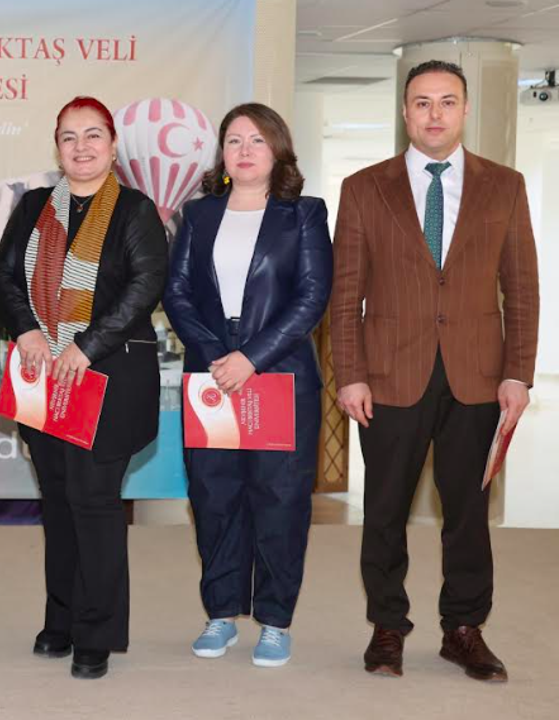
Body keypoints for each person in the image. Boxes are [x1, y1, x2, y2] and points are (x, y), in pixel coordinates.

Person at [330, 60, 538, 683]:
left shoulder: (505, 185)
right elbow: (345, 294)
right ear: (405, 112)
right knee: (385, 510)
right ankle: (387, 626)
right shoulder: (365, 187)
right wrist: (350, 373)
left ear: (466, 109)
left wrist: (519, 372)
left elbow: (522, 288)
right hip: (388, 375)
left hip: (478, 374)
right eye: (422, 102)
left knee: (468, 512)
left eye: (447, 101)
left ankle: (464, 628)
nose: (435, 114)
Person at [0, 97, 167, 680]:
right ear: (57, 147)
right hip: (43, 376)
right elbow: (3, 276)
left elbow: (145, 285)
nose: (81, 146)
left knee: (94, 503)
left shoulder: (135, 210)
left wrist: (85, 346)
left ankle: (96, 632)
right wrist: (26, 331)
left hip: (108, 377)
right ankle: (60, 620)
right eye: (69, 137)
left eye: (93, 136)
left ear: (113, 147)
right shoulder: (34, 206)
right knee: (59, 500)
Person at [162, 103, 333, 668]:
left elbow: (312, 297)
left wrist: (251, 359)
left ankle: (275, 621)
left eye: (257, 140)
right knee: (214, 496)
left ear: (277, 149)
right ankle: (221, 612)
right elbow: (176, 292)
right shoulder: (198, 213)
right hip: (212, 375)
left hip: (279, 375)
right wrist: (218, 356)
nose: (244, 150)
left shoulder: (304, 213)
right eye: (233, 140)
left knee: (279, 500)